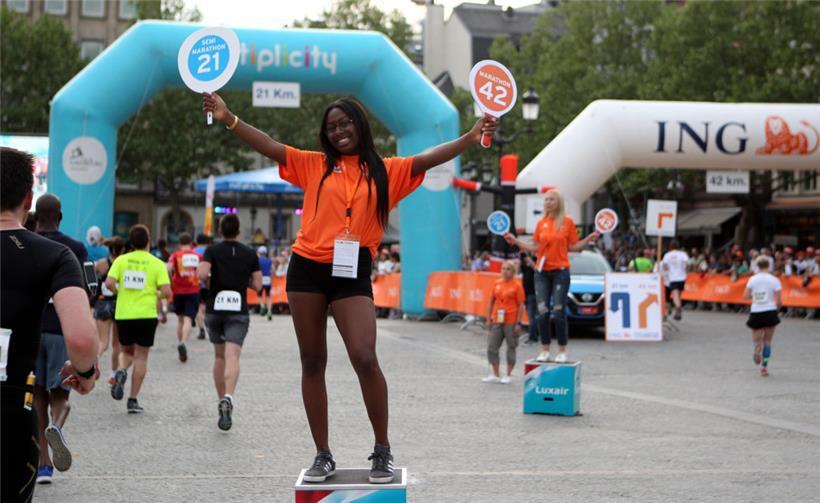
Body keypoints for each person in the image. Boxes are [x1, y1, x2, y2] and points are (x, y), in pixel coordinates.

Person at [203, 91, 496, 483]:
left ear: (360, 124)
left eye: (345, 123)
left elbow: (429, 158)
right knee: (312, 361)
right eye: (331, 127)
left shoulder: (387, 170)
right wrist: (229, 118)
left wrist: (471, 138)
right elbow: (270, 146)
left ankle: (382, 449)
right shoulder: (314, 164)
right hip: (306, 268)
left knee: (364, 356)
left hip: (352, 267)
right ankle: (322, 454)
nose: (338, 131)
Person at [1, 147, 98, 503]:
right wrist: (85, 371)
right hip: (10, 409)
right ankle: (54, 429)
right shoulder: (56, 255)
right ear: (27, 199)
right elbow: (81, 338)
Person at [32, 194, 89, 484]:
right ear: (61, 216)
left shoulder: (26, 243)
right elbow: (91, 288)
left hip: (31, 330)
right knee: (61, 395)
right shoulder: (75, 248)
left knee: (37, 396)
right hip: (61, 330)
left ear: (35, 215)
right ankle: (57, 425)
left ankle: (43, 465)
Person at [504, 190, 598, 363]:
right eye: (546, 199)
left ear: (558, 202)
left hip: (561, 271)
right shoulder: (541, 223)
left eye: (551, 199)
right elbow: (535, 248)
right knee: (542, 311)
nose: (548, 202)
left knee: (559, 311)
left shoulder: (567, 222)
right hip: (541, 272)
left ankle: (562, 350)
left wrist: (588, 239)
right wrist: (516, 241)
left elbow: (573, 246)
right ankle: (545, 349)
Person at [197, 214, 262, 431]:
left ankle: (220, 400)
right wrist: (242, 281)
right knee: (232, 355)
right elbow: (258, 285)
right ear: (239, 230)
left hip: (215, 308)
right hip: (238, 309)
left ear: (220, 230)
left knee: (219, 356)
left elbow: (201, 274)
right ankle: (228, 397)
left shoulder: (212, 250)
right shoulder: (249, 253)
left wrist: (212, 280)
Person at [105, 224, 171, 413]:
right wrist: (155, 295)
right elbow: (166, 291)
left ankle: (121, 370)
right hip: (146, 314)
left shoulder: (121, 260)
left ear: (131, 242)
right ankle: (132, 400)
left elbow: (109, 282)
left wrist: (118, 292)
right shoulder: (157, 263)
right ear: (148, 240)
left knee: (125, 351)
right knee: (141, 356)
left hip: (124, 313)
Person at [483, 261, 525, 384]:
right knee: (491, 347)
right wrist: (488, 319)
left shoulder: (517, 285)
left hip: (511, 320)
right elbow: (491, 301)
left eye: (508, 269)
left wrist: (518, 322)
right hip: (497, 318)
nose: (505, 271)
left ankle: (508, 375)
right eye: (503, 269)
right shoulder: (497, 283)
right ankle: (496, 374)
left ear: (513, 272)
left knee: (511, 347)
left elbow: (521, 305)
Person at [743, 256, 782, 377]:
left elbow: (746, 296)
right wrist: (777, 308)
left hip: (756, 310)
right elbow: (779, 300)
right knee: (768, 341)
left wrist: (756, 295)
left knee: (757, 339)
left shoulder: (753, 279)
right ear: (769, 266)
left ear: (757, 266)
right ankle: (764, 367)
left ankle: (757, 348)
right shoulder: (774, 280)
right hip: (770, 310)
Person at [94, 237, 125, 386]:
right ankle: (113, 375)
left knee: (103, 341)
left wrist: (93, 294)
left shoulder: (101, 264)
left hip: (102, 302)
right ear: (123, 249)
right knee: (117, 345)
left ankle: (95, 360)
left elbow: (89, 276)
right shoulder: (124, 263)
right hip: (119, 303)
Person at [167, 233, 203, 362]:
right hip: (193, 290)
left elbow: (168, 268)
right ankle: (183, 342)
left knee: (180, 320)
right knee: (188, 319)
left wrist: (171, 281)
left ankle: (180, 344)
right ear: (191, 243)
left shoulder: (175, 255)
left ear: (179, 244)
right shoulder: (197, 256)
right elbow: (202, 271)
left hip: (178, 290)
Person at [661, 239, 689, 321]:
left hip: (673, 277)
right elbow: (687, 264)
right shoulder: (683, 254)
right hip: (682, 277)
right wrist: (685, 270)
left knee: (675, 295)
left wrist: (669, 269)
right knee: (678, 294)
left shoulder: (667, 255)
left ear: (670, 246)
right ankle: (677, 309)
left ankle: (678, 307)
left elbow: (665, 266)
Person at [194, 233, 212, 340]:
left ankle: (201, 328)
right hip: (209, 282)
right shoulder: (211, 251)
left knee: (197, 307)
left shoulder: (193, 252)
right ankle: (208, 324)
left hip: (195, 283)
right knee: (207, 305)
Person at [520, 252, 538, 345]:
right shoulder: (526, 268)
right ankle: (534, 335)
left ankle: (533, 337)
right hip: (526, 294)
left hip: (533, 294)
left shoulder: (536, 264)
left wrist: (530, 259)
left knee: (532, 317)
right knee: (531, 316)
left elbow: (536, 268)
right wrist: (523, 254)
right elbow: (521, 265)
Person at [257, 246, 274, 320]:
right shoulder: (269, 260)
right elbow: (273, 270)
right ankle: (269, 311)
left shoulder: (258, 261)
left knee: (259, 295)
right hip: (268, 279)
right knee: (268, 296)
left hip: (261, 278)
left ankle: (262, 306)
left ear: (259, 253)